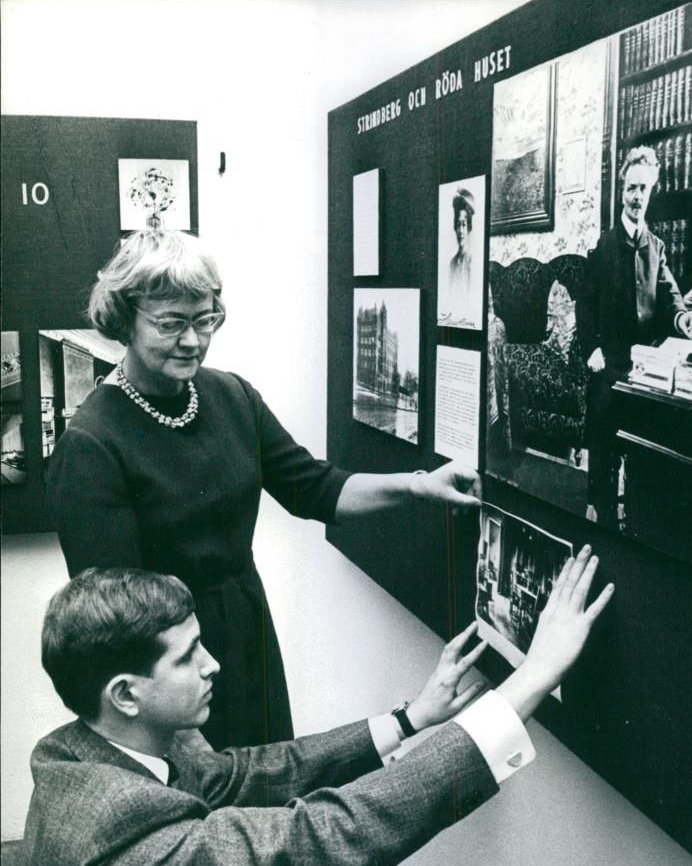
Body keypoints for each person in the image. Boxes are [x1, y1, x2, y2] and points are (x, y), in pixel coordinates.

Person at [8, 549, 612, 866]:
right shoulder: (106, 833)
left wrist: (411, 717)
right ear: (126, 694)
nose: (213, 664)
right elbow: (308, 846)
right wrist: (529, 683)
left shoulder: (99, 745)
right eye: (188, 655)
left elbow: (245, 774)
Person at [46, 229, 482, 754]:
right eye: (171, 324)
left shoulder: (232, 396)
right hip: (168, 667)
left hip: (246, 632)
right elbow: (115, 623)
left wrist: (420, 486)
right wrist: (183, 739)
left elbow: (316, 489)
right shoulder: (92, 443)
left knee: (271, 787)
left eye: (205, 319)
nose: (193, 341)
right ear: (123, 319)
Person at [581, 145, 692, 524]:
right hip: (609, 363)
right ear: (622, 190)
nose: (636, 197)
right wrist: (591, 348)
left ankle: (638, 514)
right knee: (603, 441)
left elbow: (671, 294)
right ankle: (599, 511)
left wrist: (682, 319)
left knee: (648, 444)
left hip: (644, 365)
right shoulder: (603, 246)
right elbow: (585, 305)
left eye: (643, 189)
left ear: (651, 192)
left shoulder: (657, 247)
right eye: (631, 188)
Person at [447, 187, 476, 323]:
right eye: (458, 225)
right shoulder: (452, 263)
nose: (460, 231)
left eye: (464, 225)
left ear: (469, 227)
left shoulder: (472, 261)